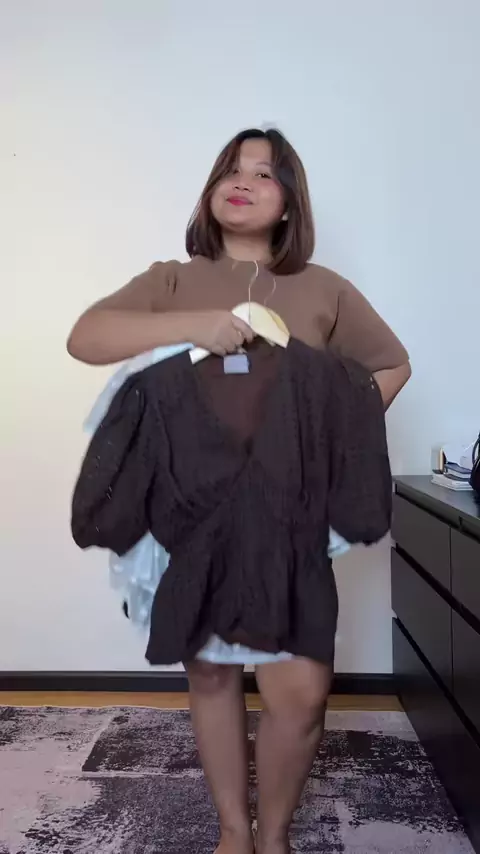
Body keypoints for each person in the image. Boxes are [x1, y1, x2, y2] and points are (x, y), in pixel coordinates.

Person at [67, 128, 411, 854]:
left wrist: (329, 442)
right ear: (211, 191)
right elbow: (87, 336)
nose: (242, 181)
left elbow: (390, 365)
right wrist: (199, 324)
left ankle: (274, 834)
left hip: (289, 517)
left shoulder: (324, 289)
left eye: (264, 172)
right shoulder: (172, 280)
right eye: (230, 169)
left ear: (290, 204)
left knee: (300, 692)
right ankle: (233, 832)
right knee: (213, 674)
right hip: (193, 512)